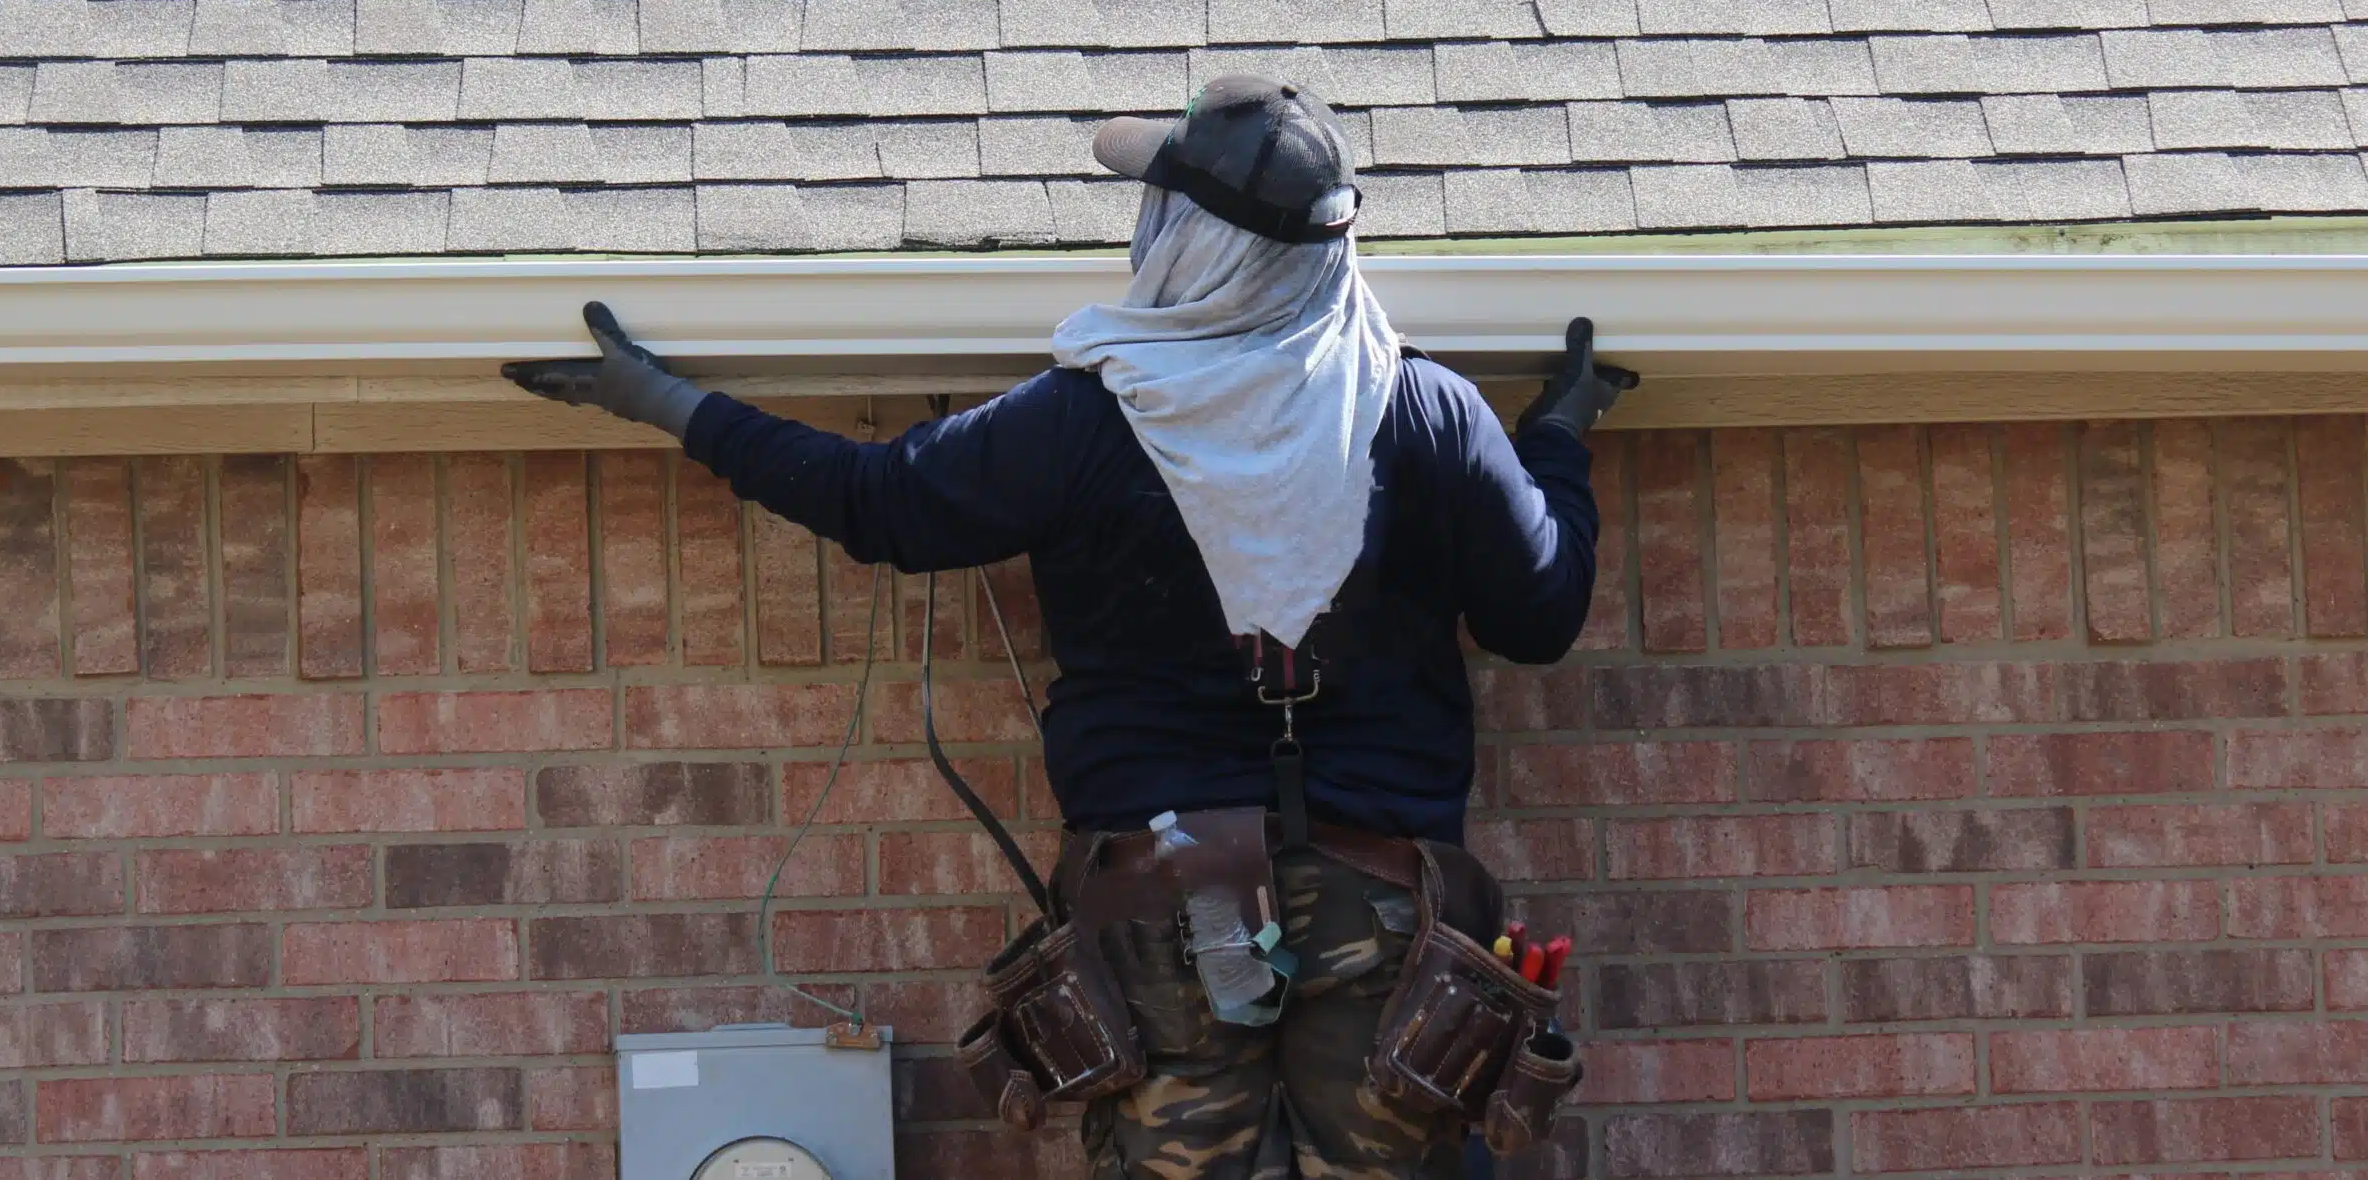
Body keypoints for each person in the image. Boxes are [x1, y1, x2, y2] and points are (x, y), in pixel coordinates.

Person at [507, 76, 1627, 1180]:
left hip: (1168, 906)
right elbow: (1539, 614)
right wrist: (1559, 440)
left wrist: (659, 400)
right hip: (1384, 911)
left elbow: (875, 503)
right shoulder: (1423, 411)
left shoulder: (1090, 418)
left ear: (1190, 239)